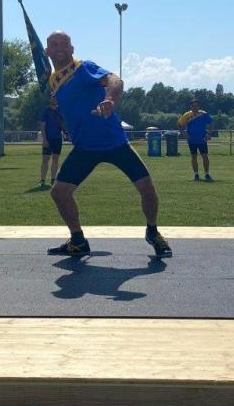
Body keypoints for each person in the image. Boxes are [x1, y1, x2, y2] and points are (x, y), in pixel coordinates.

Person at [44, 30, 172, 258]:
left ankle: (153, 232)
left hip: (115, 142)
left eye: (64, 43)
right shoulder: (54, 81)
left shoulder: (83, 68)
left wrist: (109, 99)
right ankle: (78, 241)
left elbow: (115, 80)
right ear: (47, 51)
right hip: (84, 147)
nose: (60, 47)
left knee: (147, 189)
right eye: (54, 44)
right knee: (59, 193)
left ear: (72, 49)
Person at [177, 98, 214, 181]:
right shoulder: (187, 115)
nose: (194, 107)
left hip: (202, 139)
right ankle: (196, 174)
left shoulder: (204, 114)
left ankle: (207, 174)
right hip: (192, 140)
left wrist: (209, 134)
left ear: (199, 106)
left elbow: (211, 123)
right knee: (194, 157)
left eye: (196, 106)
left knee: (205, 156)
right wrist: (184, 134)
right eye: (193, 106)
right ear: (190, 106)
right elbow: (179, 124)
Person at [38, 96, 67, 188]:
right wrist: (44, 140)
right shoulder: (46, 111)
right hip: (48, 139)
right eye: (52, 98)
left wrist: (65, 132)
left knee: (55, 159)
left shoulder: (60, 110)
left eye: (56, 98)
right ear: (49, 100)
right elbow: (42, 126)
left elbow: (63, 124)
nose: (54, 99)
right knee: (45, 160)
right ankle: (42, 180)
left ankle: (53, 179)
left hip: (57, 139)